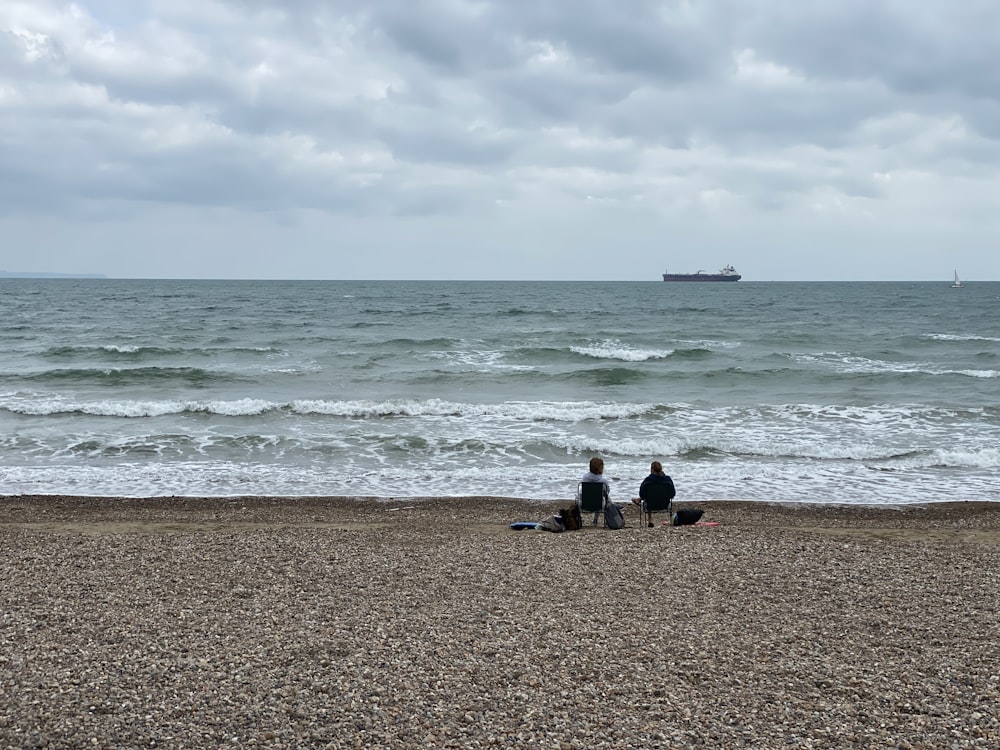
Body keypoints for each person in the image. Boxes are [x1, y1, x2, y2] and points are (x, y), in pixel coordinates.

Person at [635, 460, 675, 528]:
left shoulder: (647, 480)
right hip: (665, 505)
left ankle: (650, 520)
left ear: (652, 469)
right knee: (651, 497)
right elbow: (672, 494)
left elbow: (642, 494)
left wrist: (642, 497)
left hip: (650, 505)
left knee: (648, 499)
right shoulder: (668, 480)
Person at [576, 456, 611, 525]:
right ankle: (595, 519)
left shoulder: (585, 477)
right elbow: (607, 492)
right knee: (602, 497)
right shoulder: (603, 481)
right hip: (599, 506)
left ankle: (579, 518)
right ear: (601, 469)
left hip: (583, 504)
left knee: (581, 495)